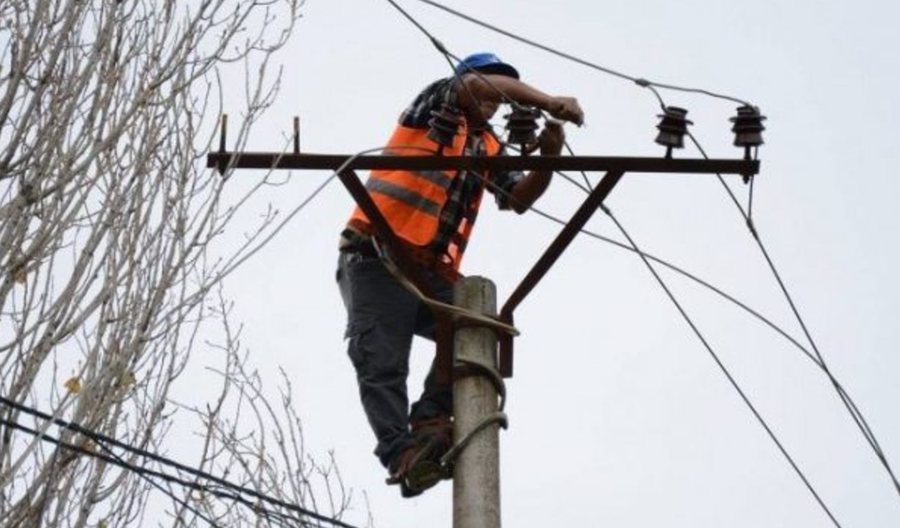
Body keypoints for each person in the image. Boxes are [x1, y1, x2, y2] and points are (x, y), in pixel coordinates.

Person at [336, 52, 584, 497]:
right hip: (377, 255)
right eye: (494, 87)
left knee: (477, 336)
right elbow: (478, 88)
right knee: (381, 359)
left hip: (429, 271)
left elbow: (518, 199)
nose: (496, 101)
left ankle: (431, 419)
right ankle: (402, 455)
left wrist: (548, 157)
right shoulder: (435, 106)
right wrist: (548, 100)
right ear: (470, 81)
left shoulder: (488, 145)